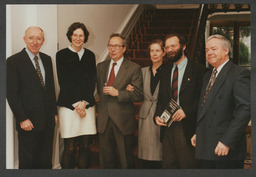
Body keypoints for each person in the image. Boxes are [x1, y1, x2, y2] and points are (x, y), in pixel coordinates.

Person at [191, 34, 251, 169]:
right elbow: (205, 107)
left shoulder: (239, 73)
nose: (209, 53)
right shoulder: (207, 76)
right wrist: (199, 132)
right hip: (207, 144)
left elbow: (245, 110)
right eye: (207, 50)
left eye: (213, 48)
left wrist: (227, 141)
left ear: (226, 50)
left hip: (225, 147)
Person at [6, 26, 58, 169]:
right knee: (29, 162)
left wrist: (54, 113)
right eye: (31, 38)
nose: (35, 42)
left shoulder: (47, 59)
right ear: (24, 39)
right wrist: (22, 118)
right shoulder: (13, 61)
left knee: (46, 161)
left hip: (48, 121)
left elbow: (51, 89)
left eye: (38, 38)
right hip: (28, 122)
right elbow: (11, 93)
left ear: (43, 41)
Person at [154, 33, 206, 169]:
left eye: (173, 46)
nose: (170, 49)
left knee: (187, 166)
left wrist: (186, 112)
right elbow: (161, 99)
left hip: (187, 127)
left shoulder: (199, 70)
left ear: (183, 47)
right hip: (167, 127)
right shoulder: (164, 71)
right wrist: (157, 116)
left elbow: (204, 100)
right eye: (167, 47)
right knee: (168, 165)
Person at [96, 33, 143, 169]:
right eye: (110, 46)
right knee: (106, 161)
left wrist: (119, 93)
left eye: (116, 46)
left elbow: (138, 95)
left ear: (124, 48)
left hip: (123, 121)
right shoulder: (100, 67)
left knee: (126, 160)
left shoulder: (134, 68)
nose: (112, 49)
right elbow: (100, 91)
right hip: (104, 120)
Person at [56, 22, 97, 169]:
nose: (78, 38)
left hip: (87, 106)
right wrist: (76, 104)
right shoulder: (61, 55)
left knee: (86, 146)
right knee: (70, 148)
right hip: (68, 107)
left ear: (85, 37)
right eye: (75, 35)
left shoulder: (90, 55)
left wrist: (84, 102)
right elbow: (64, 82)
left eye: (81, 35)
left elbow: (91, 81)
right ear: (70, 36)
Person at [126, 39, 165, 168]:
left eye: (157, 50)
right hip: (145, 115)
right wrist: (129, 89)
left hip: (162, 115)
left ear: (163, 53)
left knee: (160, 154)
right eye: (152, 51)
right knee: (145, 154)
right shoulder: (142, 72)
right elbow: (136, 93)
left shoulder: (169, 71)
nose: (154, 54)